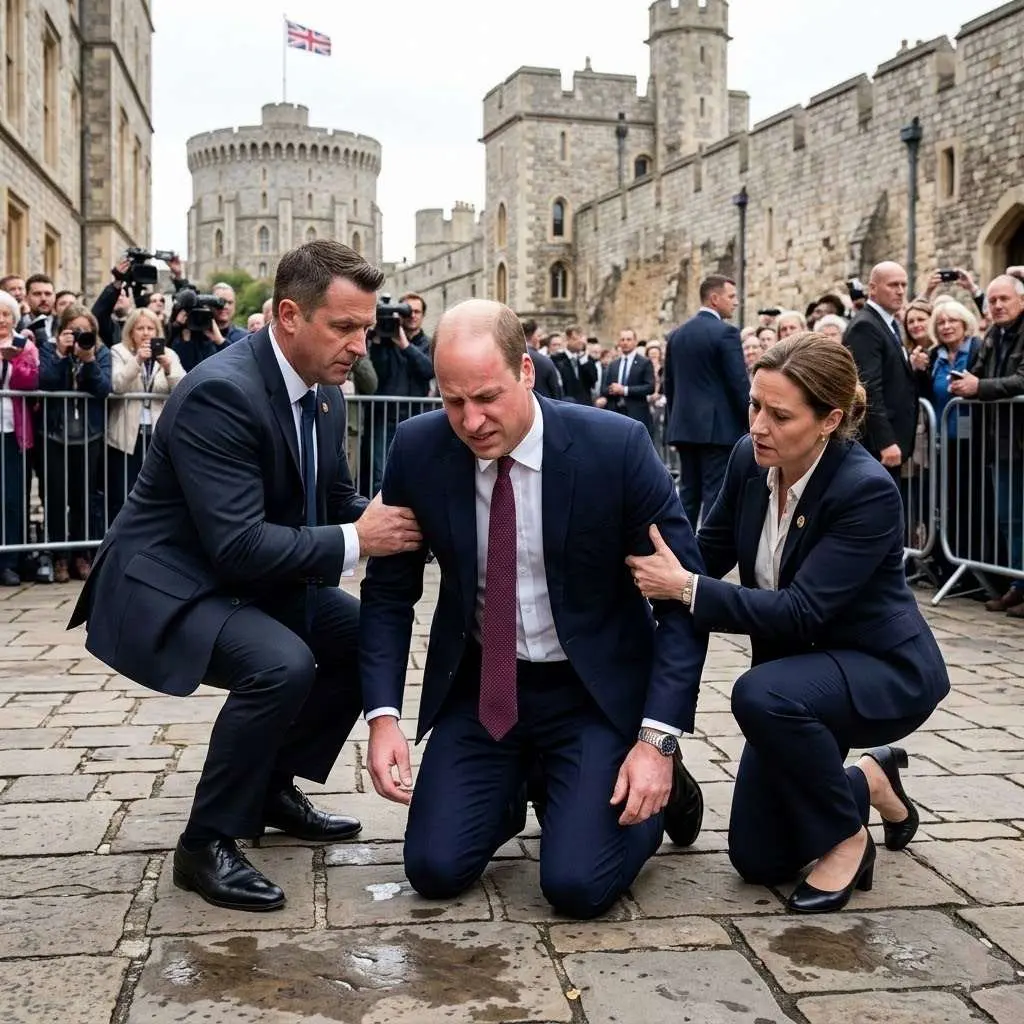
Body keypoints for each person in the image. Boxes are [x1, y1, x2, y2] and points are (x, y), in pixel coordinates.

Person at [68, 241, 423, 912]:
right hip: (169, 582)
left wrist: (407, 521)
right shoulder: (221, 393)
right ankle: (205, 844)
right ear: (289, 315)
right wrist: (359, 539)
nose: (359, 345)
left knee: (360, 632)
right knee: (281, 663)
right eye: (343, 327)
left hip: (241, 575)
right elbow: (238, 546)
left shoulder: (322, 394)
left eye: (366, 329)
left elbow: (337, 501)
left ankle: (268, 786)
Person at [360, 299, 708, 921]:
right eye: (452, 400)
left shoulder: (616, 448)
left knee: (577, 886)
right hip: (484, 691)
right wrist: (383, 715)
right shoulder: (418, 449)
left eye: (487, 396)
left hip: (590, 694)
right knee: (433, 871)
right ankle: (521, 785)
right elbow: (389, 593)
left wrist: (657, 739)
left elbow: (683, 602)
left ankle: (660, 787)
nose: (471, 421)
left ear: (526, 370)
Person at [627, 332, 949, 914]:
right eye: (754, 405)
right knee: (758, 860)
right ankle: (870, 781)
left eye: (779, 415)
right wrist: (635, 586)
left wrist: (688, 589)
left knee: (758, 693)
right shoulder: (749, 460)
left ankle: (848, 839)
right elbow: (705, 552)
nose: (758, 426)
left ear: (829, 421)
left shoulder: (866, 490)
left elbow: (803, 611)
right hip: (794, 680)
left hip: (878, 670)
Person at [664, 276, 749, 527]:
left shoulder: (677, 335)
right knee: (714, 492)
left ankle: (680, 547)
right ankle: (708, 555)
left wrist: (674, 422)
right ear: (715, 299)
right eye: (731, 296)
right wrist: (751, 419)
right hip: (717, 429)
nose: (736, 302)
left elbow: (670, 385)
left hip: (685, 427)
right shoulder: (726, 333)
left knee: (688, 492)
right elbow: (738, 383)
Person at [843, 261, 918, 480]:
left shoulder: (889, 324)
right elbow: (868, 388)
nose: (901, 291)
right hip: (878, 446)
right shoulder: (865, 326)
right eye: (893, 285)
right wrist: (885, 441)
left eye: (904, 284)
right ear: (872, 288)